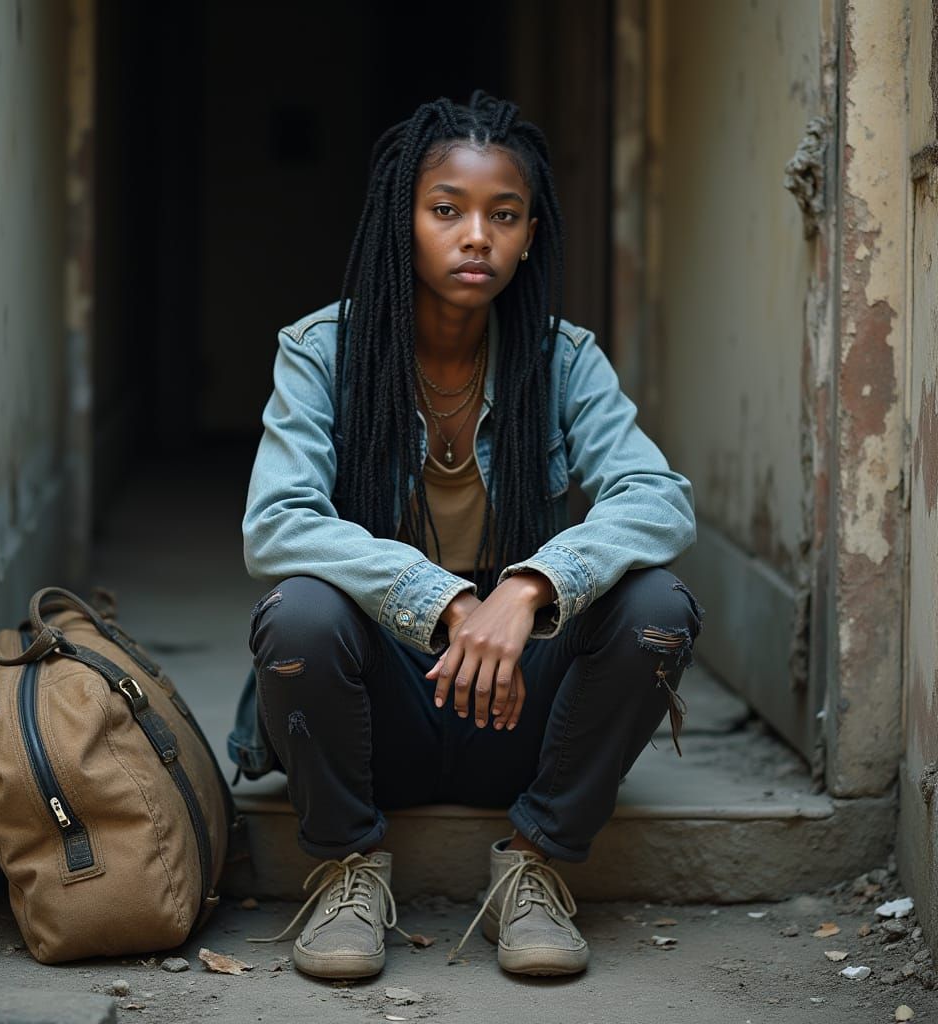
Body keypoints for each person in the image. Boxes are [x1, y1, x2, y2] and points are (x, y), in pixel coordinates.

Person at [240, 92, 702, 980]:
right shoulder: (323, 353)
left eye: (505, 214)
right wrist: (443, 599)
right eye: (446, 210)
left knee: (658, 606)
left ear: (531, 235)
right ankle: (348, 869)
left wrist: (527, 589)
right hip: (383, 705)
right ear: (402, 223)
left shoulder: (562, 359)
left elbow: (658, 496)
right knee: (298, 612)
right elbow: (277, 521)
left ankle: (533, 866)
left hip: (517, 705)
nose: (476, 236)